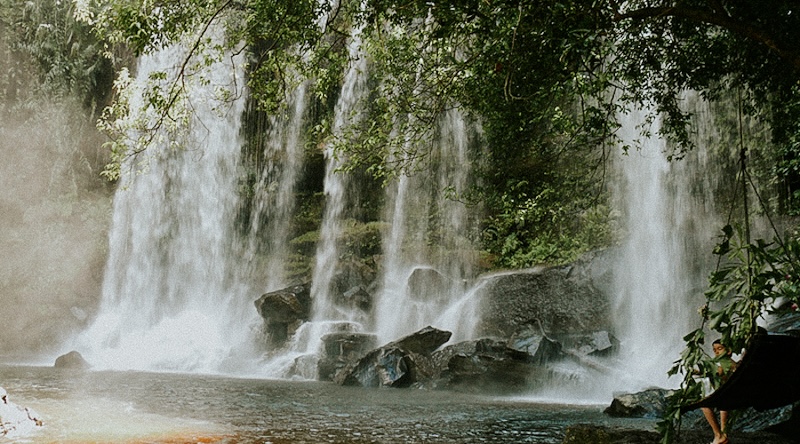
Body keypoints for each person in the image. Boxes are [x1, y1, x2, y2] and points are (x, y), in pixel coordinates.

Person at [701, 339, 737, 444]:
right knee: (723, 403)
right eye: (714, 350)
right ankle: (723, 433)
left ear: (729, 351)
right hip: (728, 393)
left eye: (719, 349)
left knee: (704, 404)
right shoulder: (732, 363)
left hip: (726, 394)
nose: (716, 352)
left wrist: (699, 372)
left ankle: (718, 434)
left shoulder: (726, 363)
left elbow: (718, 373)